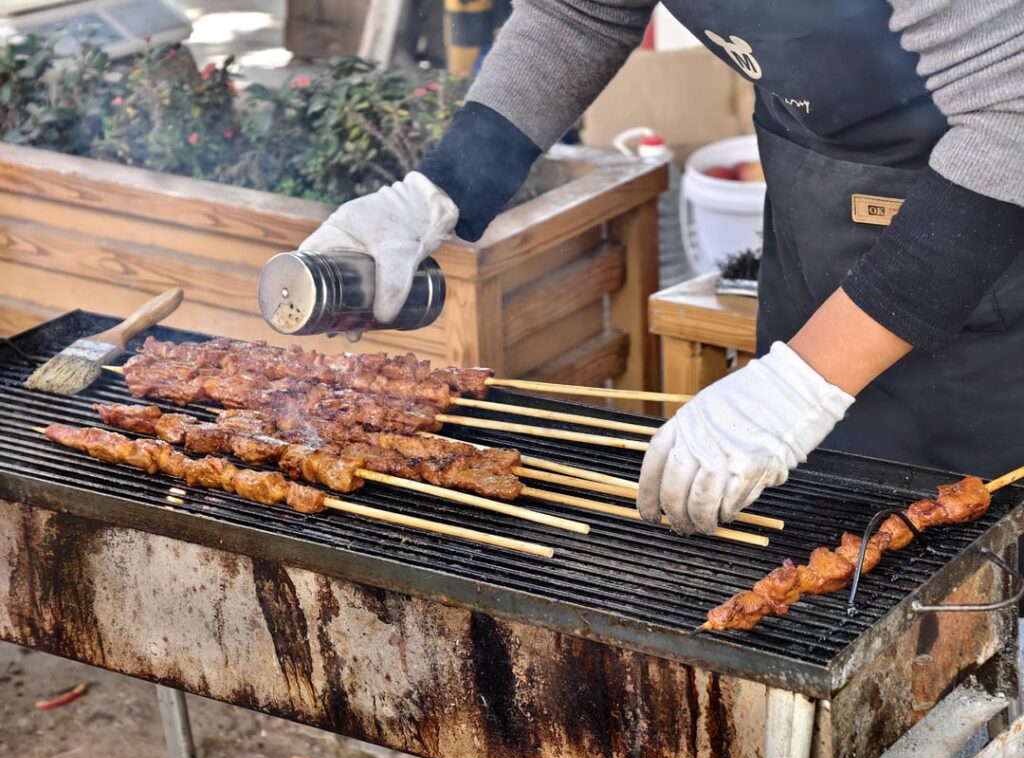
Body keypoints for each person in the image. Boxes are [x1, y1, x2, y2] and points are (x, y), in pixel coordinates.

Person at [296, 0, 1024, 536]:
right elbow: (579, 12)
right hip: (817, 200)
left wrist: (809, 378)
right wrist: (434, 192)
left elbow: (1012, 118)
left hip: (988, 238)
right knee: (823, 549)